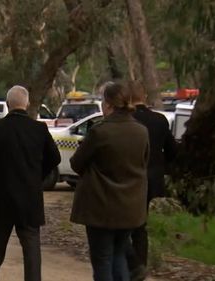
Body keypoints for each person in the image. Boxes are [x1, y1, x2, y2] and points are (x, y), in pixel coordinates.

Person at [0, 85, 61, 281]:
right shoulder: (39, 129)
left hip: (1, 197)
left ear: (7, 104)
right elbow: (55, 158)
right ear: (27, 104)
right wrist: (38, 175)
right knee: (31, 248)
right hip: (30, 197)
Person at [70, 81, 149, 281]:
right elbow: (143, 162)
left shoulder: (100, 131)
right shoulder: (141, 131)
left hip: (101, 207)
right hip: (130, 206)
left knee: (103, 259)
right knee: (119, 254)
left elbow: (76, 163)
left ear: (107, 104)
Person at [127, 81, 177, 281]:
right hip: (152, 180)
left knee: (123, 226)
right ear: (145, 97)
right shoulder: (159, 120)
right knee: (141, 226)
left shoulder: (126, 119)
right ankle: (140, 267)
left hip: (128, 178)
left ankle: (130, 266)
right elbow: (172, 149)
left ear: (128, 98)